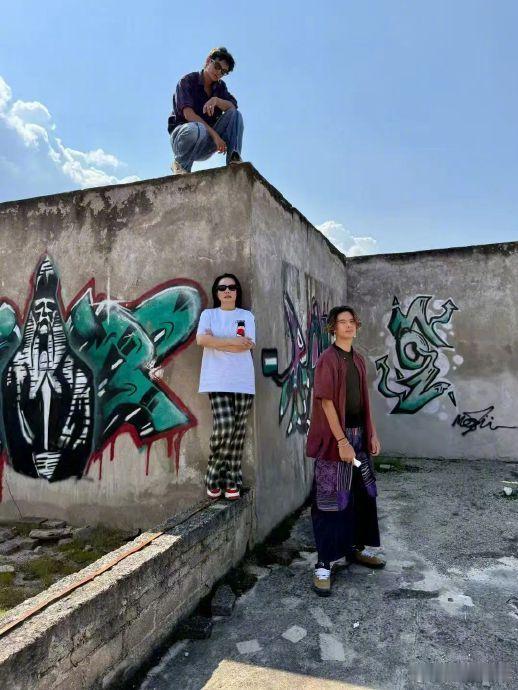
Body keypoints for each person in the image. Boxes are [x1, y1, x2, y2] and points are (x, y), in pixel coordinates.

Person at [306, 306, 385, 596]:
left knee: (361, 496)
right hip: (335, 441)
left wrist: (371, 433)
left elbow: (363, 403)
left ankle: (355, 549)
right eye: (342, 322)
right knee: (330, 500)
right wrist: (341, 442)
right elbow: (326, 402)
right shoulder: (327, 360)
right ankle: (324, 564)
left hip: (359, 437)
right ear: (333, 328)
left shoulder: (358, 360)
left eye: (352, 321)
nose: (349, 326)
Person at [196, 274, 255, 500]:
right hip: (216, 379)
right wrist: (231, 342)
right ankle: (213, 473)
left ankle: (232, 481)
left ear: (237, 291)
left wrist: (216, 342)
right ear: (217, 292)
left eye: (231, 287)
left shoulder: (246, 316)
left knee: (238, 433)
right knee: (225, 426)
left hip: (243, 380)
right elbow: (201, 340)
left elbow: (247, 345)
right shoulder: (208, 315)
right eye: (222, 288)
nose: (227, 291)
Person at [168, 47, 243, 175]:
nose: (219, 73)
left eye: (223, 72)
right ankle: (180, 166)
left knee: (235, 114)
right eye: (217, 66)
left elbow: (233, 107)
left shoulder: (220, 87)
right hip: (184, 138)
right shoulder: (187, 81)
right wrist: (215, 135)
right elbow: (188, 114)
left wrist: (216, 100)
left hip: (205, 144)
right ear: (208, 60)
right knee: (198, 128)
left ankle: (234, 160)